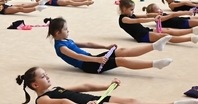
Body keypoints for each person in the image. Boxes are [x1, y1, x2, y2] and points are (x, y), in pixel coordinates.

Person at [16, 68, 198, 104]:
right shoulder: (42, 101)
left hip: (94, 100)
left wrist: (108, 85)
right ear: (35, 85)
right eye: (43, 76)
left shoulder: (55, 88)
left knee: (132, 101)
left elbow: (83, 86)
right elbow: (64, 102)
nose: (47, 76)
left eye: (46, 73)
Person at [44, 17, 172, 74]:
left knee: (120, 51)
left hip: (92, 59)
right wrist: (97, 59)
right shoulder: (61, 47)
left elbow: (87, 44)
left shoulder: (66, 40)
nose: (68, 31)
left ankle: (155, 46)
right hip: (89, 66)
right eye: (66, 29)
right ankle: (155, 64)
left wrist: (105, 47)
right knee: (120, 61)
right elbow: (78, 56)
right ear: (57, 32)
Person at [117, 0, 198, 45]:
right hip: (142, 36)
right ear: (124, 9)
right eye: (131, 9)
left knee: (168, 30)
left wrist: (155, 15)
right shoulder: (124, 19)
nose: (133, 11)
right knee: (166, 36)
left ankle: (193, 31)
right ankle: (191, 39)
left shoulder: (130, 15)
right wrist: (153, 19)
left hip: (145, 30)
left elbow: (146, 15)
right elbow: (140, 20)